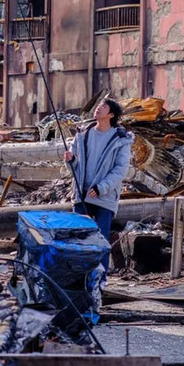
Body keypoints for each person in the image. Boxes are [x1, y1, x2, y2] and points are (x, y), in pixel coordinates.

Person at [63, 98, 133, 274]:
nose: (98, 108)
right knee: (78, 237)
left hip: (104, 196)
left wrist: (101, 187)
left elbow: (120, 170)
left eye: (103, 107)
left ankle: (99, 277)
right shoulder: (82, 134)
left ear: (111, 114)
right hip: (81, 194)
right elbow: (74, 167)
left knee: (100, 239)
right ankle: (78, 275)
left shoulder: (121, 140)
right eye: (98, 105)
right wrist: (70, 161)